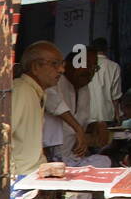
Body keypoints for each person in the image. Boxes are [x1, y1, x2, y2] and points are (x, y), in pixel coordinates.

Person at [44, 51, 109, 166]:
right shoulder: (54, 82)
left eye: (93, 67)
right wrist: (78, 129)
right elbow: (56, 105)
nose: (89, 71)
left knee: (105, 161)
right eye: (85, 64)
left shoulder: (84, 89)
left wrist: (97, 125)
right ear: (68, 65)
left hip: (73, 157)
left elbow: (82, 121)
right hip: (51, 159)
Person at [11, 41, 66, 176]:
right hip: (21, 176)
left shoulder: (37, 92)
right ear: (36, 67)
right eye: (54, 64)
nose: (61, 70)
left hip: (34, 173)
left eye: (61, 64)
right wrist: (12, 179)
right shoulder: (21, 90)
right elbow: (2, 137)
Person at [88, 38, 124, 126]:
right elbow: (115, 95)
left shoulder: (84, 65)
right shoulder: (114, 66)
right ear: (106, 49)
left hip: (87, 115)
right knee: (105, 140)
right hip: (106, 116)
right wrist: (118, 115)